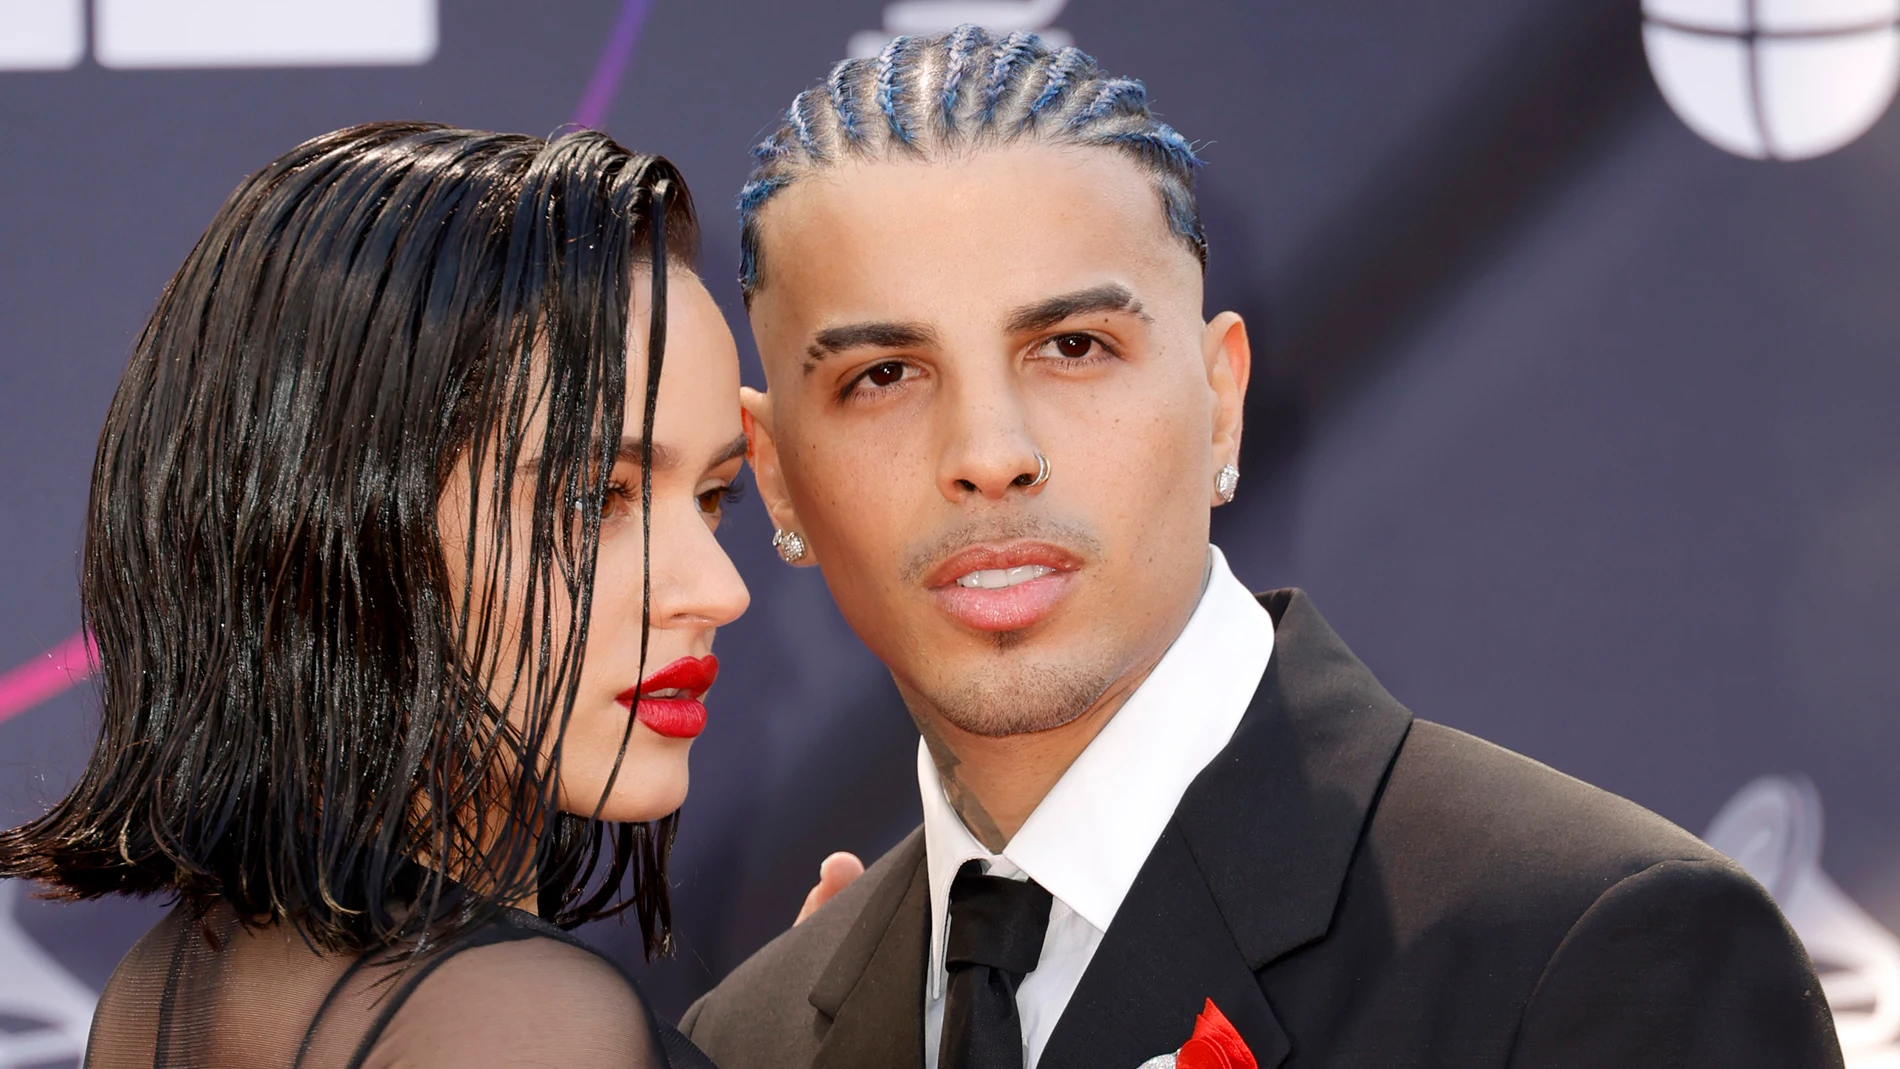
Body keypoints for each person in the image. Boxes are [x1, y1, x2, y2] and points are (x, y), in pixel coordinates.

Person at [679, 27, 1845, 1069]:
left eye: (1073, 347)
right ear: (774, 471)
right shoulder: (745, 1042)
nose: (989, 454)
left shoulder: (1590, 950)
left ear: (1221, 402)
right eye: (884, 375)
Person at [0, 122, 753, 1068]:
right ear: (335, 517)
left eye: (715, 495)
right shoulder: (518, 1017)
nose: (719, 590)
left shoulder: (172, 980)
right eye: (594, 497)